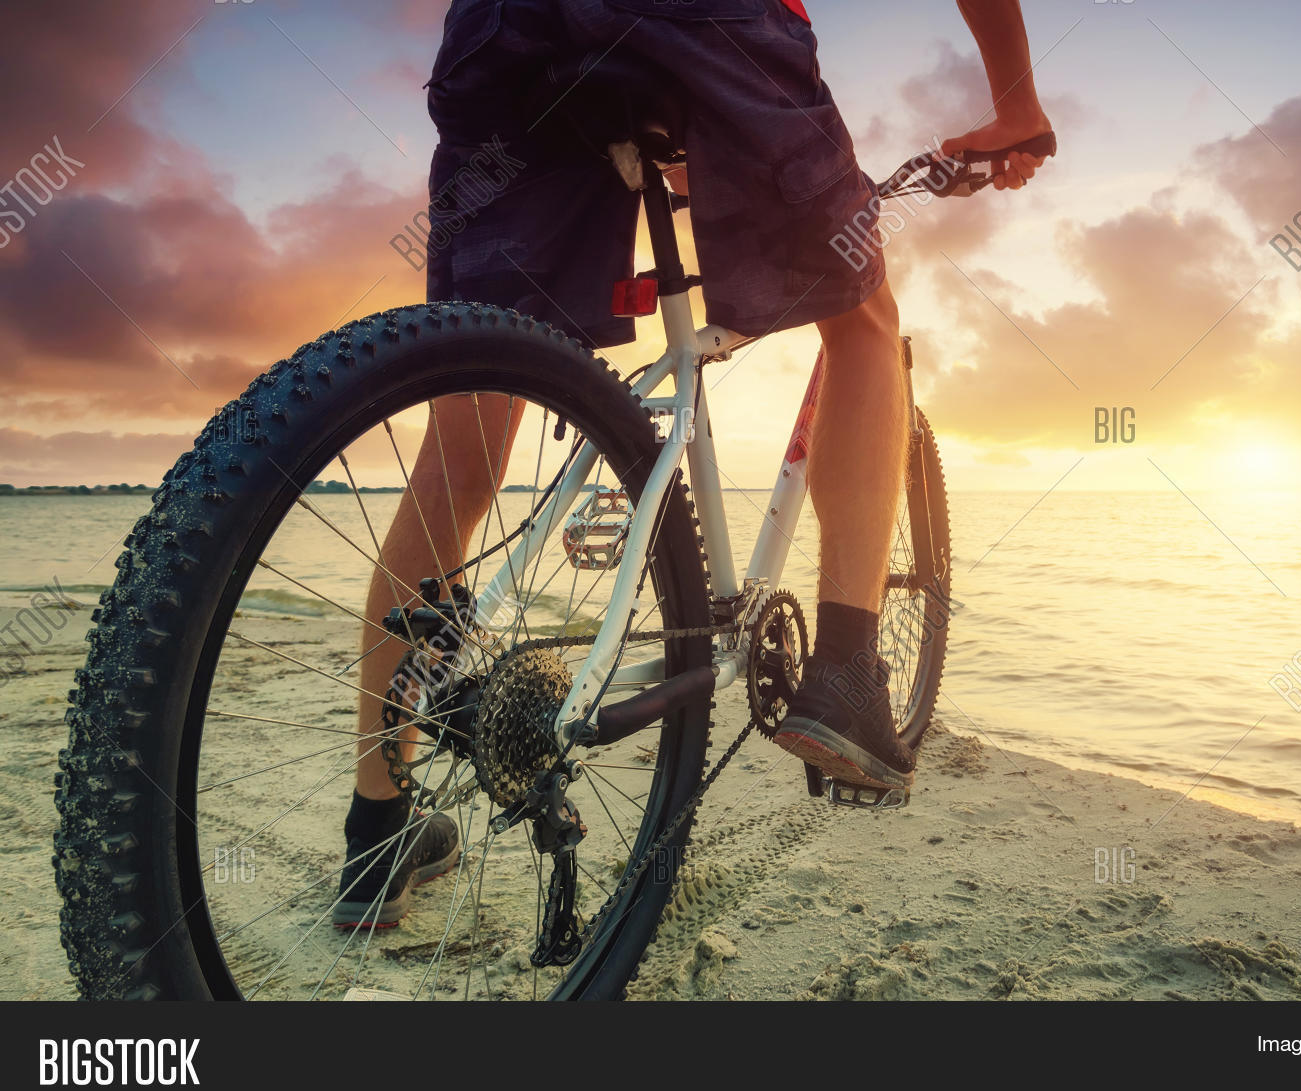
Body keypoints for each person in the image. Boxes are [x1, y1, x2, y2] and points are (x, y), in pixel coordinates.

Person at [335, 0, 1052, 926]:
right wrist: (1017, 106)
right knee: (864, 319)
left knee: (474, 407)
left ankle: (374, 835)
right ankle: (842, 676)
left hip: (500, 35)